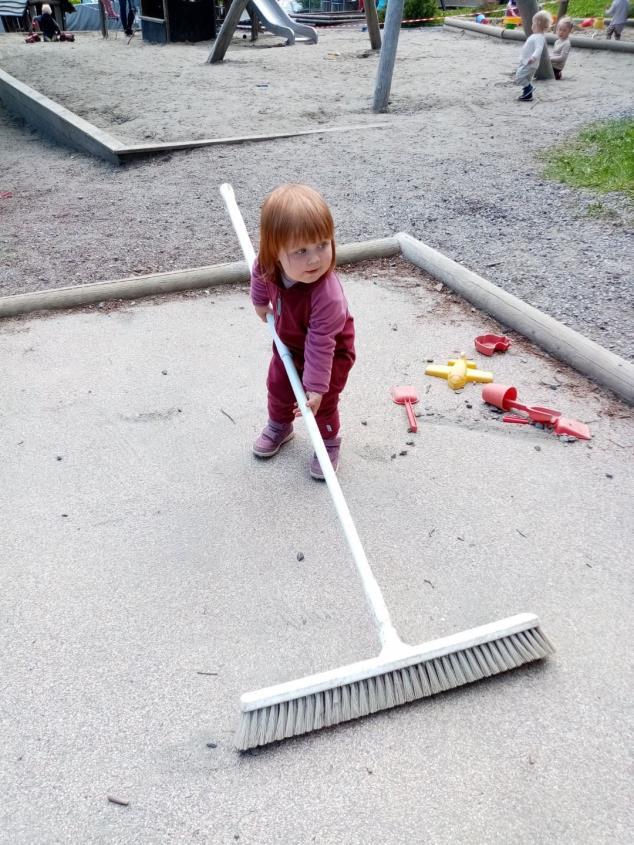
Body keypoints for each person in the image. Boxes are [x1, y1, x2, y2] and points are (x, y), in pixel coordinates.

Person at [250, 184, 355, 480]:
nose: (314, 259)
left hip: (330, 351)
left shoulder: (328, 296)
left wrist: (315, 387)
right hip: (290, 338)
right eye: (301, 250)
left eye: (323, 244)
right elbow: (258, 270)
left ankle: (328, 442)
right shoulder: (269, 262)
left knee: (320, 403)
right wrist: (259, 300)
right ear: (276, 252)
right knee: (279, 385)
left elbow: (321, 345)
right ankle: (280, 425)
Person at [515, 10, 553, 102]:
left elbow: (539, 49)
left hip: (530, 62)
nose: (531, 25)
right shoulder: (536, 36)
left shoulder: (539, 37)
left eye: (533, 23)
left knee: (520, 76)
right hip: (526, 61)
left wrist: (533, 57)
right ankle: (527, 94)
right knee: (525, 77)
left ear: (537, 24)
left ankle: (528, 88)